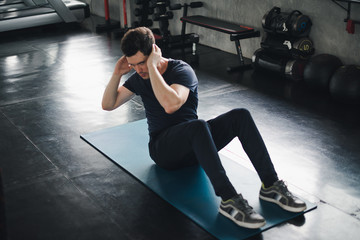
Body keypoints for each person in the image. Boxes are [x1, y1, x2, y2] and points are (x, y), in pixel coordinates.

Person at [102, 27, 306, 229]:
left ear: (154, 53)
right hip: (163, 150)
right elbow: (108, 104)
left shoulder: (181, 70)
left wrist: (153, 68)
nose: (139, 70)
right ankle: (229, 200)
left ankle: (270, 185)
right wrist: (117, 73)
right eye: (133, 65)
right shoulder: (139, 79)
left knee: (240, 116)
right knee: (197, 127)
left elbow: (171, 103)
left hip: (196, 144)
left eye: (142, 63)